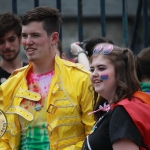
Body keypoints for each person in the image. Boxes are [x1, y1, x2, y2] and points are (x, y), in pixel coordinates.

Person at [0, 6, 95, 150]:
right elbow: (3, 139)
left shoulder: (82, 79)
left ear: (54, 38)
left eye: (35, 35)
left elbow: (94, 136)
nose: (28, 41)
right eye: (25, 36)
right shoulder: (9, 86)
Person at [82, 43, 150, 150]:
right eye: (92, 69)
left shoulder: (123, 112)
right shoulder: (117, 108)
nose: (94, 74)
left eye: (101, 68)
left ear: (120, 73)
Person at [0, 12, 28, 84]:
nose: (7, 46)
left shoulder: (32, 72)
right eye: (1, 42)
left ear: (20, 39)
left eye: (11, 40)